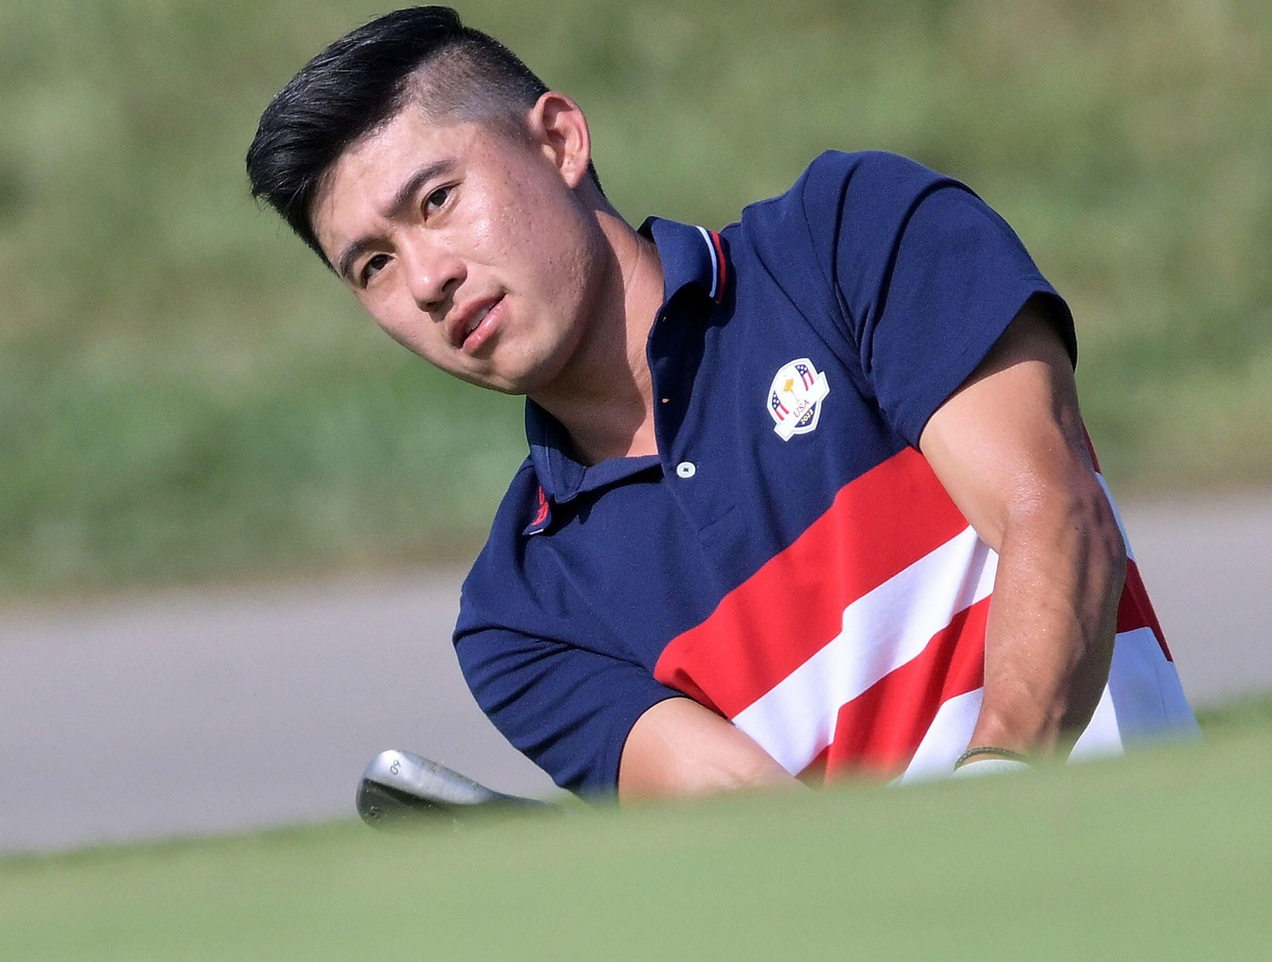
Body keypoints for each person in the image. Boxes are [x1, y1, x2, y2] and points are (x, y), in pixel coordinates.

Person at [245, 6, 1197, 800]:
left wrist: (993, 794)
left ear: (560, 140)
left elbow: (1057, 518)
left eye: (437, 200)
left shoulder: (849, 237)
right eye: (372, 264)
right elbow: (760, 836)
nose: (424, 279)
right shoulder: (520, 615)